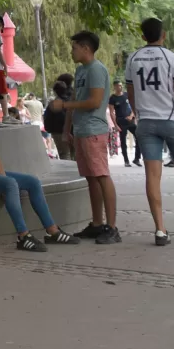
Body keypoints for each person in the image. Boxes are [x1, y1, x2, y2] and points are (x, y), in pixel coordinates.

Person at [0, 86, 80, 250]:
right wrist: (1, 183)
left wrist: (0, 179)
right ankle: (23, 236)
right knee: (10, 184)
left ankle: (52, 231)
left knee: (32, 182)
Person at [125, 18, 174, 245]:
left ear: (143, 37)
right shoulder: (172, 58)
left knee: (152, 176)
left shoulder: (132, 59)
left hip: (147, 122)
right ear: (164, 35)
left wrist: (137, 112)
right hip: (173, 120)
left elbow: (131, 93)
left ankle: (160, 229)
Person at [53, 31, 119, 244]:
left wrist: (64, 105)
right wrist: (67, 127)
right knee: (91, 177)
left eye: (74, 48)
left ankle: (112, 227)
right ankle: (97, 224)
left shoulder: (97, 70)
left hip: (94, 131)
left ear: (86, 48)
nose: (71, 51)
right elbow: (76, 98)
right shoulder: (80, 70)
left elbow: (94, 101)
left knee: (101, 175)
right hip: (81, 131)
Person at [108, 81, 139, 167]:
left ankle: (137, 158)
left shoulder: (126, 95)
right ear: (114, 87)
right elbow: (111, 112)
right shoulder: (113, 98)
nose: (120, 87)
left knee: (139, 137)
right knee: (123, 141)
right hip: (121, 121)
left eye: (121, 85)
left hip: (130, 120)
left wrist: (131, 115)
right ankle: (126, 160)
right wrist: (115, 125)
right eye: (118, 86)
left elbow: (133, 106)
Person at [42, 74, 73, 160]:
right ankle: (77, 171)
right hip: (74, 130)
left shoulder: (54, 103)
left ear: (55, 91)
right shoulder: (74, 98)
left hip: (58, 131)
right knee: (75, 153)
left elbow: (48, 118)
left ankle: (68, 172)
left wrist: (49, 129)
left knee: (64, 154)